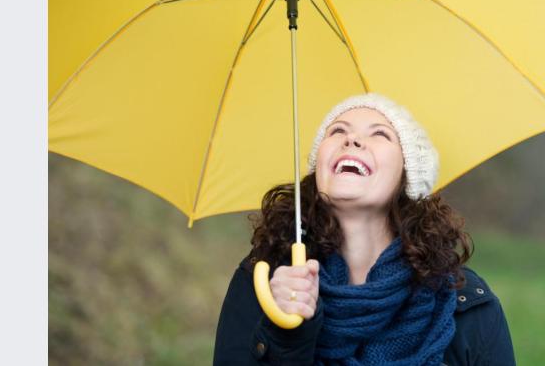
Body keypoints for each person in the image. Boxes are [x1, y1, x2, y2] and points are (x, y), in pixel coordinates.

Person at [213, 93, 515, 365]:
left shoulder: (467, 304)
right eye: (338, 131)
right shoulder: (264, 286)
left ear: (407, 176)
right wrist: (286, 333)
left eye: (380, 134)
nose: (352, 140)